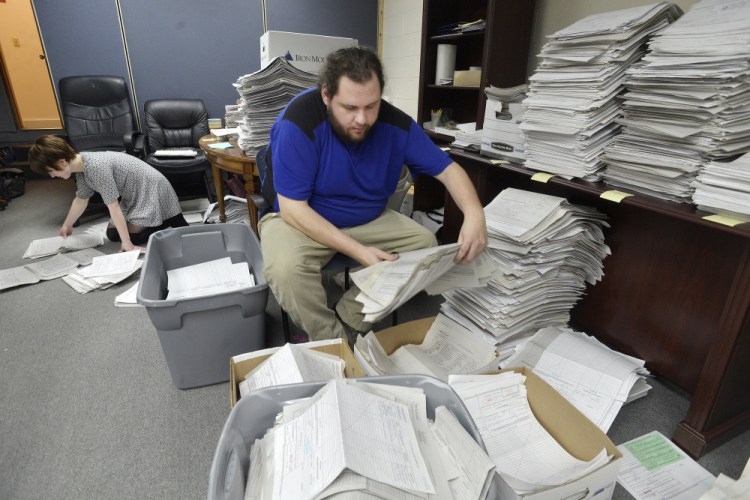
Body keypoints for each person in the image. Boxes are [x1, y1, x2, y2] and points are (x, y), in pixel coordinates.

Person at [260, 46, 488, 343]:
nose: (362, 119)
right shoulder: (299, 121)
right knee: (285, 270)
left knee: (424, 246)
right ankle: (333, 341)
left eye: (371, 106)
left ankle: (348, 317)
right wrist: (358, 252)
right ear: (326, 96)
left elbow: (448, 169)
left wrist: (474, 213)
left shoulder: (395, 124)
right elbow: (293, 209)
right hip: (302, 219)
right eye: (350, 108)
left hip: (366, 219)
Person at [28, 135, 189, 252]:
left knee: (131, 238)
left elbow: (113, 206)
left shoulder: (95, 167)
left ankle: (167, 220)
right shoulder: (81, 167)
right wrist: (67, 224)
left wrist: (128, 245)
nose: (51, 176)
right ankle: (165, 220)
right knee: (112, 234)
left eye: (50, 171)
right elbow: (80, 200)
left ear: (61, 162)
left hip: (151, 191)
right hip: (134, 194)